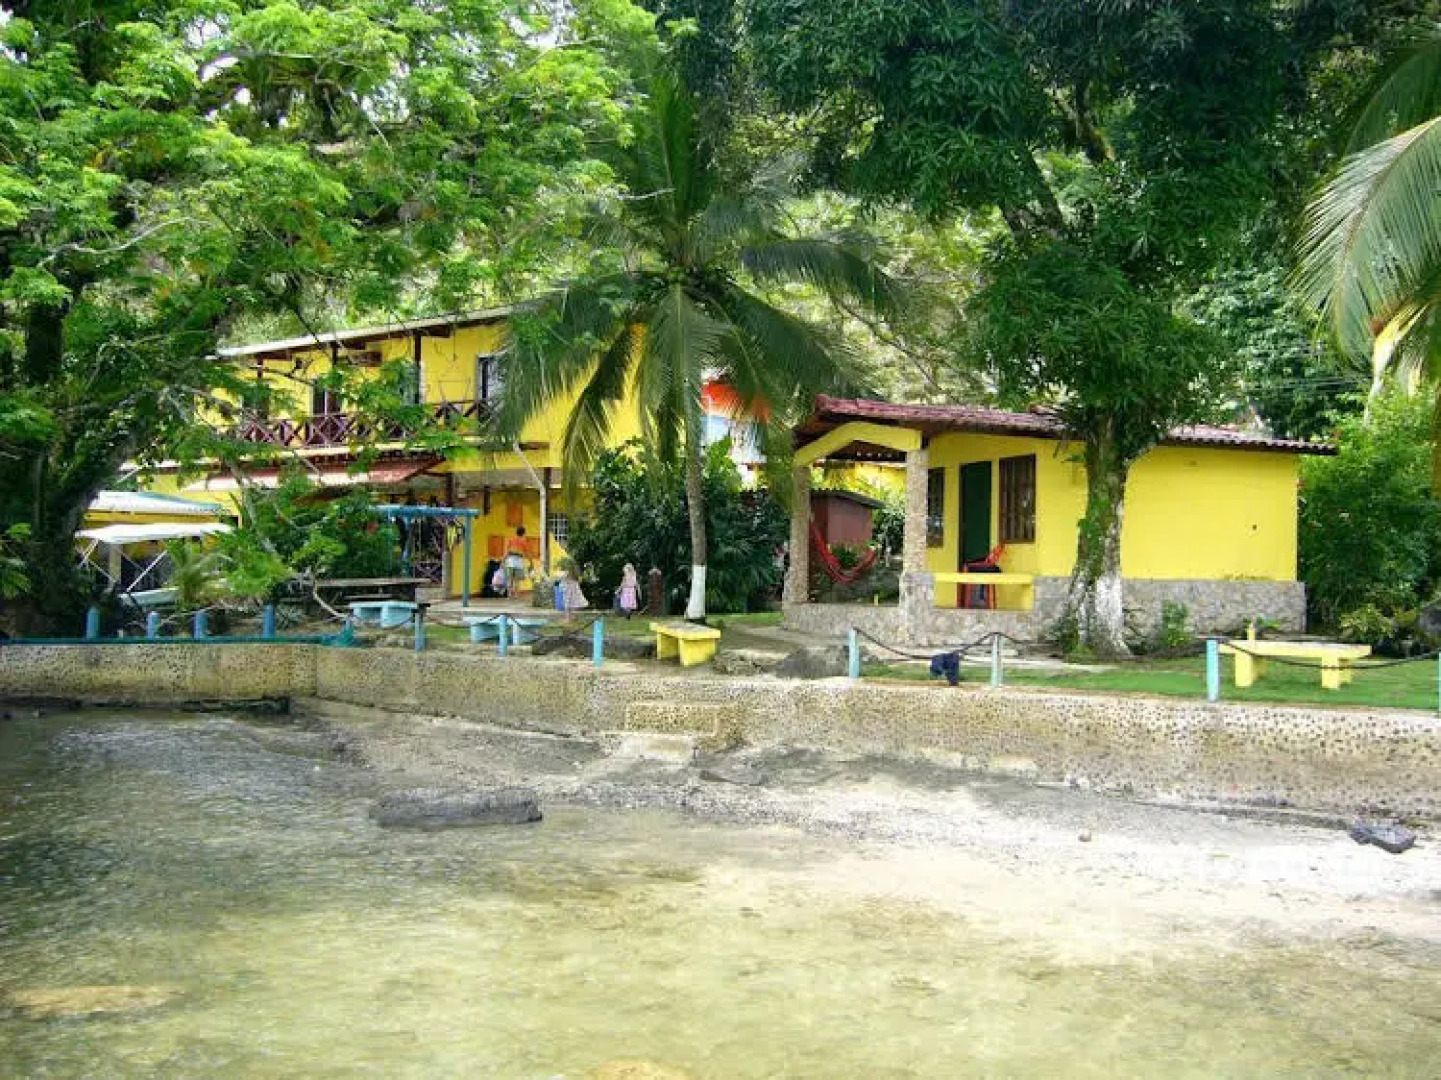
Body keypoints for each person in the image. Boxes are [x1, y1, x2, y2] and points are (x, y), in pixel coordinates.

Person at [503, 525, 528, 596]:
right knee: (517, 580)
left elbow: (507, 552)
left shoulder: (511, 539)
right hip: (519, 562)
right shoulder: (523, 542)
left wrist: (503, 561)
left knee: (509, 578)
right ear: (523, 533)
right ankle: (516, 594)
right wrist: (531, 562)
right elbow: (527, 553)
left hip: (510, 561)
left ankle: (509, 593)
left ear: (516, 532)